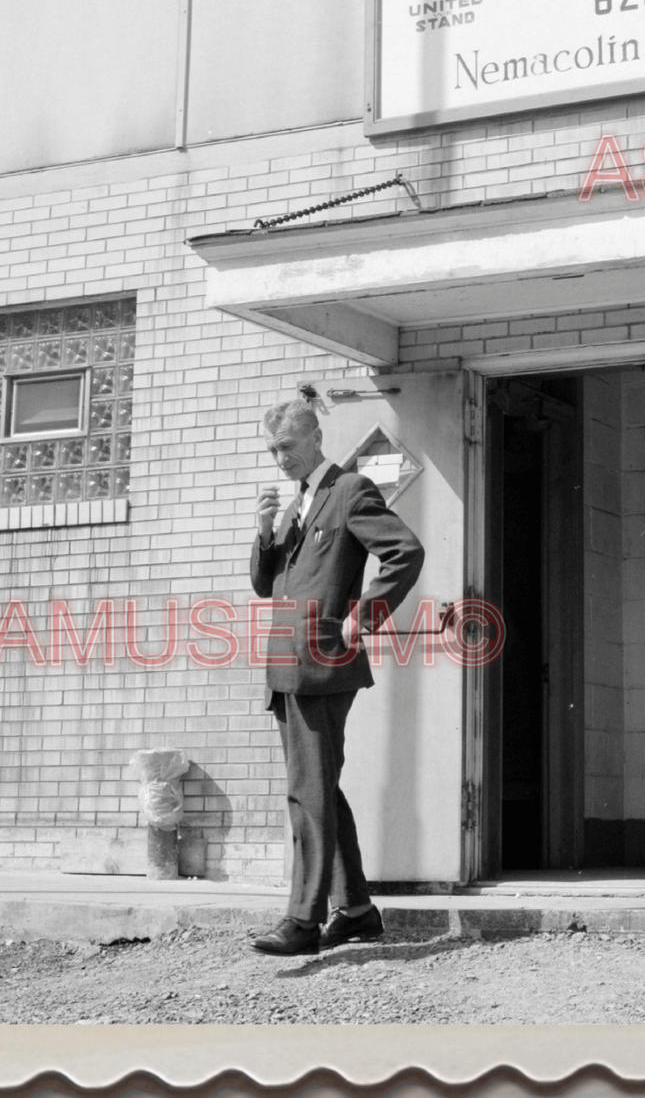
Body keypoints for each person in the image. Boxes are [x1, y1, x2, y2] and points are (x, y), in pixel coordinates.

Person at [248, 391, 425, 957]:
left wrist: (364, 616)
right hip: (286, 667)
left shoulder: (348, 489)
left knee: (308, 793)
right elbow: (265, 585)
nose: (281, 459)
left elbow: (405, 551)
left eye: (289, 447)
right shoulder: (295, 502)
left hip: (323, 665)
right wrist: (266, 534)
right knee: (321, 788)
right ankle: (356, 911)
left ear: (316, 440)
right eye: (273, 449)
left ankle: (303, 921)